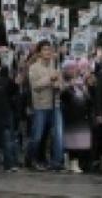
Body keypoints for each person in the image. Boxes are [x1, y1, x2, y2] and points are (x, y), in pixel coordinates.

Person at [26, 41, 65, 172]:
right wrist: (50, 79)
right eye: (45, 50)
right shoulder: (34, 67)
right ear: (39, 52)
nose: (48, 52)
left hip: (55, 104)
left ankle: (56, 162)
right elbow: (35, 85)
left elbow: (61, 84)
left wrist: (59, 85)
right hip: (40, 106)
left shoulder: (56, 66)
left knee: (58, 135)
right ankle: (32, 159)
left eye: (50, 49)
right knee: (37, 136)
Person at [59, 61, 92, 173]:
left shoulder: (81, 82)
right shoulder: (64, 82)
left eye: (74, 68)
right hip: (70, 115)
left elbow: (88, 99)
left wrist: (84, 88)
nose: (73, 71)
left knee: (80, 140)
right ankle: (72, 162)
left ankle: (74, 162)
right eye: (70, 69)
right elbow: (62, 96)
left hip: (81, 114)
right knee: (72, 139)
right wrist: (69, 86)